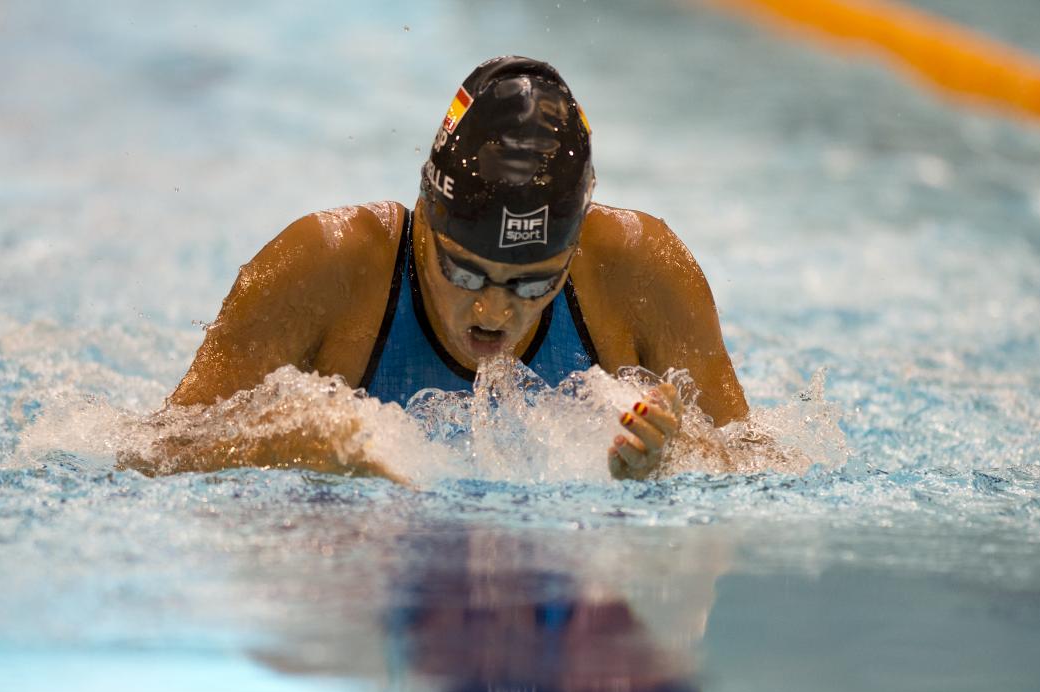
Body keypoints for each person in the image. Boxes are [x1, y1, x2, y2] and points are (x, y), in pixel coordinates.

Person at [152, 56, 748, 481]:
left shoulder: (641, 273)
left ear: (573, 251)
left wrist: (677, 458)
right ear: (426, 224)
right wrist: (281, 441)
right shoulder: (325, 268)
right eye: (464, 272)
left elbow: (767, 465)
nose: (493, 312)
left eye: (534, 284)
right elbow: (150, 453)